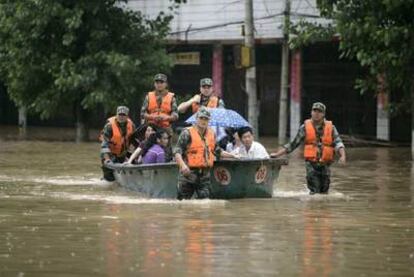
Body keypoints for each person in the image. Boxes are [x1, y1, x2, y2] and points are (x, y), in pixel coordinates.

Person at [271, 102, 346, 195]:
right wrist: (277, 154)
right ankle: (312, 207)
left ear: (323, 114)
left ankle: (323, 208)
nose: (316, 113)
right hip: (311, 163)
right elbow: (293, 144)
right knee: (314, 190)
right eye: (314, 111)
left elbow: (338, 142)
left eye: (319, 111)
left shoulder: (331, 127)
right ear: (311, 112)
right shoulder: (305, 128)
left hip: (325, 163)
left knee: (324, 190)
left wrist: (342, 156)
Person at [174, 107, 238, 200]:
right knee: (183, 203)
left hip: (204, 176)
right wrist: (183, 166)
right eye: (201, 118)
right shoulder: (187, 133)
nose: (203, 121)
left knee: (205, 204)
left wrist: (233, 155)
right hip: (188, 175)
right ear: (196, 119)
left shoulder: (212, 134)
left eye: (206, 119)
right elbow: (177, 151)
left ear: (209, 120)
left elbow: (217, 151)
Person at [100, 106, 136, 181]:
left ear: (127, 116)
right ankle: (107, 179)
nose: (121, 117)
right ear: (116, 115)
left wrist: (129, 156)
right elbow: (104, 144)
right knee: (109, 176)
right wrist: (107, 159)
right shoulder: (109, 126)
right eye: (120, 115)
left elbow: (133, 142)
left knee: (133, 164)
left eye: (123, 115)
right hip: (110, 153)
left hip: (124, 153)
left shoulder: (131, 125)